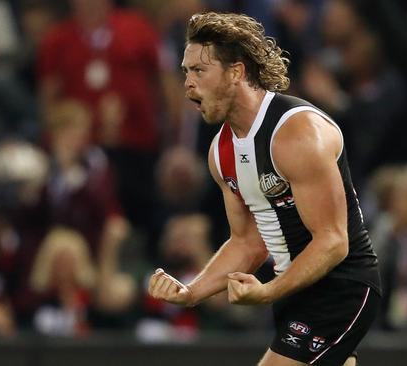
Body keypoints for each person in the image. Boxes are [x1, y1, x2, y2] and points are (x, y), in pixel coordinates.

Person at [148, 12, 381, 366]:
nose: (187, 84)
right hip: (293, 294)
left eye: (199, 71)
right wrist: (191, 291)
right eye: (185, 71)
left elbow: (333, 241)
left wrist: (268, 290)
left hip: (341, 287)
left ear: (236, 72)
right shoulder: (220, 153)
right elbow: (247, 242)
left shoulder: (296, 133)